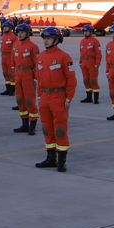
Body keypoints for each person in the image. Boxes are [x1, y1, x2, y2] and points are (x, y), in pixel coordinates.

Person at [33, 26, 77, 172]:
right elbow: (39, 78)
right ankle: (51, 158)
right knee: (47, 128)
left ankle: (61, 161)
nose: (45, 41)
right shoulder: (41, 56)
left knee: (59, 129)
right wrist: (39, 96)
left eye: (48, 38)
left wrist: (69, 99)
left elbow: (71, 80)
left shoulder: (64, 57)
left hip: (59, 97)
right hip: (45, 97)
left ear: (57, 40)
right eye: (44, 38)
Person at [11, 23, 40, 135]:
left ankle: (32, 126)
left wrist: (35, 79)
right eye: (18, 33)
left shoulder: (33, 47)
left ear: (28, 34)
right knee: (20, 100)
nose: (20, 35)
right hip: (18, 74)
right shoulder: (16, 45)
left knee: (29, 100)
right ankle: (24, 124)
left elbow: (37, 64)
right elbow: (13, 60)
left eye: (22, 32)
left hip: (28, 74)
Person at [78, 25, 102, 104]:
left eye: (87, 31)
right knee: (86, 80)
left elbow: (98, 54)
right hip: (84, 62)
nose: (85, 33)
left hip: (92, 62)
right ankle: (89, 97)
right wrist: (80, 62)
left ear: (91, 32)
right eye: (84, 31)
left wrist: (97, 64)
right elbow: (81, 53)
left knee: (93, 80)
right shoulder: (82, 41)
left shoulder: (95, 41)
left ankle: (96, 98)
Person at [0, 20, 17, 96]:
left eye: (6, 27)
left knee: (10, 73)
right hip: (3, 56)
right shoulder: (2, 37)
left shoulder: (14, 37)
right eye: (4, 27)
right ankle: (7, 88)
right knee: (5, 73)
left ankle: (12, 89)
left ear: (10, 28)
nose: (4, 29)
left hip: (10, 56)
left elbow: (15, 48)